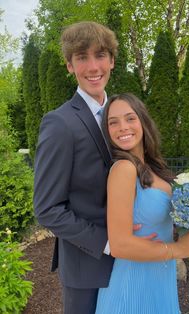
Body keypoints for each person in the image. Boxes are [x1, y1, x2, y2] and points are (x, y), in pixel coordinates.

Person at [95, 93, 189, 314]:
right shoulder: (124, 169)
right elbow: (119, 245)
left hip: (160, 275)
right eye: (113, 122)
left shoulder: (151, 167)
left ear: (143, 121)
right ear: (107, 131)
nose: (122, 127)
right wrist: (179, 249)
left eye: (130, 118)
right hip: (134, 283)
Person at [33, 21, 117, 314]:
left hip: (133, 260)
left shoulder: (123, 114)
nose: (93, 66)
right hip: (87, 268)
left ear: (112, 61)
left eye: (101, 55)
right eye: (82, 57)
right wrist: (108, 243)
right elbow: (47, 208)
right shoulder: (59, 123)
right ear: (70, 66)